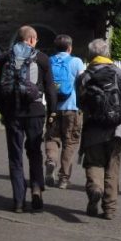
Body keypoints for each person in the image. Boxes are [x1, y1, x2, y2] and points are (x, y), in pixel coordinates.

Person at [77, 38, 121, 220]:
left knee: (93, 163)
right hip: (116, 128)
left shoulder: (84, 77)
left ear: (90, 55)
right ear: (107, 53)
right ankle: (110, 209)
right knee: (112, 168)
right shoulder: (118, 73)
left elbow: (80, 103)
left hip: (92, 128)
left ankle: (95, 188)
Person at [0, 25, 57, 213]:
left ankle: (19, 201)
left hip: (13, 113)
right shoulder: (42, 58)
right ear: (31, 39)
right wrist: (52, 113)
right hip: (35, 111)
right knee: (34, 151)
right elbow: (50, 88)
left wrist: (3, 111)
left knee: (15, 157)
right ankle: (36, 188)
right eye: (36, 39)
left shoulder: (5, 57)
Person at [44, 34, 85, 190]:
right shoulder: (76, 62)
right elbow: (83, 82)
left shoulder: (49, 61)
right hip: (72, 107)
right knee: (70, 142)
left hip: (54, 107)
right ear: (69, 48)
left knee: (52, 137)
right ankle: (63, 178)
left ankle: (51, 160)